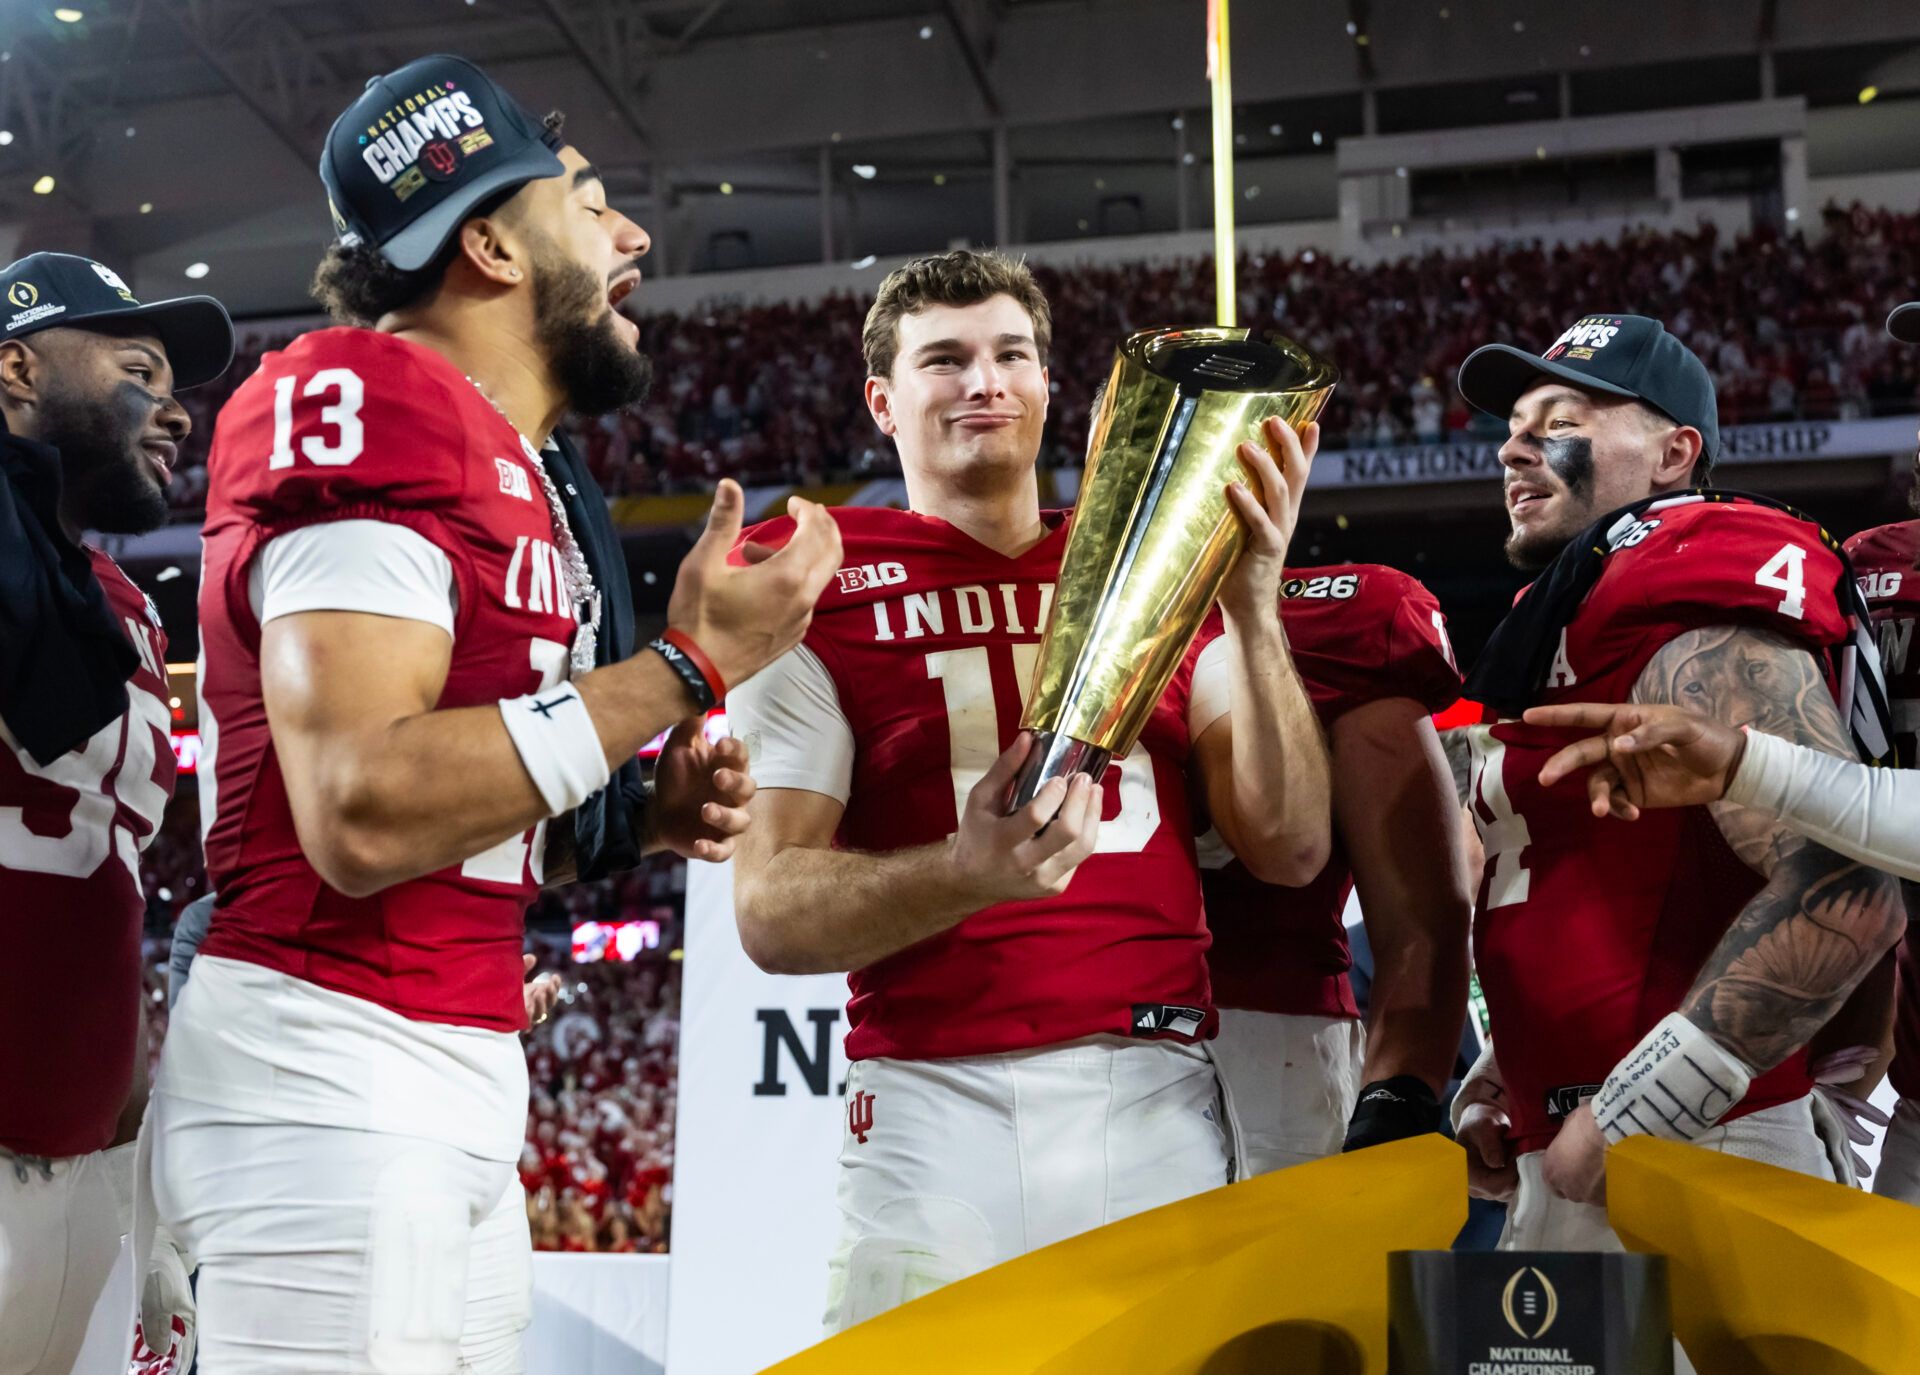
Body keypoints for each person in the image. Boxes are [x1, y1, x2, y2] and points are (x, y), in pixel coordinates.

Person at [150, 55, 840, 1373]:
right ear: (489, 245)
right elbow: (361, 808)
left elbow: (455, 814)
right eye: (586, 202)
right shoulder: (366, 396)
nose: (632, 234)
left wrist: (631, 817)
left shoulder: (517, 461)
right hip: (328, 1069)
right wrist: (688, 663)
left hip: (437, 1066)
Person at [726, 249, 1333, 1331]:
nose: (985, 383)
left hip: (1151, 1089)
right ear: (883, 400)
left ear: (1053, 386)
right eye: (945, 360)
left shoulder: (1174, 571)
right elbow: (770, 912)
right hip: (930, 1097)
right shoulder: (817, 582)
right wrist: (962, 873)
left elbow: (1287, 844)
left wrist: (1250, 600)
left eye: (1012, 355)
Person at [1444, 312, 1905, 1250]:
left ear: (1673, 454)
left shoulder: (1689, 593)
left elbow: (1850, 890)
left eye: (1561, 418)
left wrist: (1642, 1103)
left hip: (1695, 1150)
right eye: (1515, 421)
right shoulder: (1567, 613)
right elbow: (1608, 891)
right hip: (1582, 1138)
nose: (1515, 445)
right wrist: (1511, 1068)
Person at [0, 251, 231, 1374]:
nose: (178, 411)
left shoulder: (128, 608)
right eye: (140, 368)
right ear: (16, 369)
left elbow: (103, 893)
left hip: (88, 1159)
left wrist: (145, 1161)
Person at [1201, 565, 1472, 1172]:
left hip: (1269, 1046)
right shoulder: (1028, 588)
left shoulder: (1342, 617)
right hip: (1051, 1042)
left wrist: (1397, 1098)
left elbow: (1421, 923)